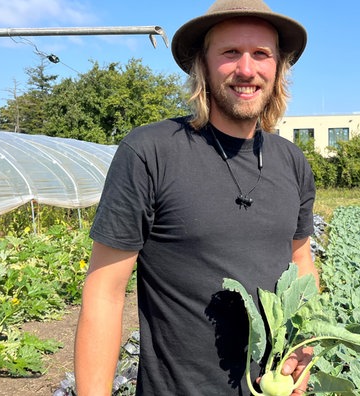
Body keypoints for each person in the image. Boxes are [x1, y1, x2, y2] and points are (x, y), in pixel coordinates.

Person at [73, 0, 318, 395]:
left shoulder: (291, 161)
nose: (246, 69)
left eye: (261, 54)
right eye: (230, 53)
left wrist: (304, 349)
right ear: (201, 65)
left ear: (278, 68)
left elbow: (301, 258)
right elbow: (104, 291)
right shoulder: (151, 151)